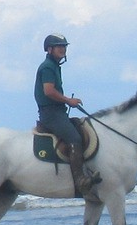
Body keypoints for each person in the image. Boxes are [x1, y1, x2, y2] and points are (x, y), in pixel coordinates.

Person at [35, 34, 100, 195]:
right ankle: (80, 180)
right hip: (51, 114)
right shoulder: (48, 67)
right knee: (75, 138)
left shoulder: (55, 66)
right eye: (59, 46)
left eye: (64, 46)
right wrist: (67, 101)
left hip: (58, 112)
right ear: (49, 49)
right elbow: (48, 91)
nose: (63, 49)